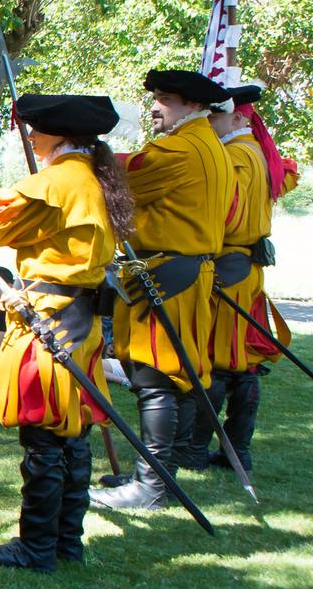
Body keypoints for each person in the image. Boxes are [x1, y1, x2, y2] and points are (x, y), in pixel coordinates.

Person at [0, 94, 127, 569]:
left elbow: (3, 217)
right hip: (79, 316)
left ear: (59, 134)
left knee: (46, 433)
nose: (31, 137)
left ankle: (38, 546)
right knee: (70, 433)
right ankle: (64, 544)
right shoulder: (91, 176)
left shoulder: (63, 179)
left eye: (37, 130)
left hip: (52, 316)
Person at [90, 70, 235, 510]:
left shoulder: (179, 148)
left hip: (169, 274)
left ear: (194, 106)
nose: (156, 106)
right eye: (155, 97)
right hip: (182, 271)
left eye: (166, 99)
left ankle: (150, 486)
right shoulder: (207, 144)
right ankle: (158, 474)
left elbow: (120, 180)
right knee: (170, 377)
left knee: (157, 379)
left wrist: (80, 151)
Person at [184, 83, 296, 474]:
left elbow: (225, 214)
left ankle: (197, 449)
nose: (209, 123)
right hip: (243, 265)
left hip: (229, 264)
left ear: (237, 117)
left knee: (221, 358)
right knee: (240, 360)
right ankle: (235, 452)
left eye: (214, 116)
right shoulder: (256, 153)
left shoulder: (237, 156)